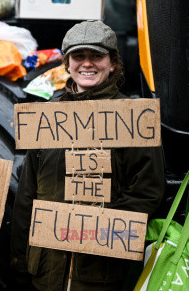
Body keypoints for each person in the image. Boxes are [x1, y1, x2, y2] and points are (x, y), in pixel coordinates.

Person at [10, 20, 165, 291]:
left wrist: (92, 232)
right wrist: (21, 259)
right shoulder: (47, 115)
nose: (87, 64)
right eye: (78, 56)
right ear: (67, 63)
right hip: (46, 271)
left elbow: (147, 192)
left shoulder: (133, 117)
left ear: (113, 63)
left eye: (96, 56)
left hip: (100, 272)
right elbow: (28, 193)